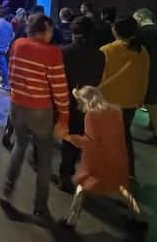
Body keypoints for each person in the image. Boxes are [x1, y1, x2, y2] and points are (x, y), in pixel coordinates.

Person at [0, 13, 70, 224]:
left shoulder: (18, 44)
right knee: (45, 158)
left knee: (19, 146)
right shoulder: (52, 52)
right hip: (40, 110)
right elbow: (59, 87)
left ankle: (7, 189)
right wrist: (64, 115)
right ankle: (40, 206)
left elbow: (12, 73)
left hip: (17, 106)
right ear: (46, 28)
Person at [60, 86, 145, 231]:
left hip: (98, 161)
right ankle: (137, 217)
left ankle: (71, 221)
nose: (79, 105)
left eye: (80, 101)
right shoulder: (116, 111)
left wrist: (69, 137)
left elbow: (90, 141)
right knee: (123, 189)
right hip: (117, 158)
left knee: (82, 189)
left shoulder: (92, 115)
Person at [56, 17, 105, 193]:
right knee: (75, 139)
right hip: (86, 102)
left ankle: (62, 173)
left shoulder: (64, 52)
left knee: (64, 138)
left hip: (65, 100)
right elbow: (98, 79)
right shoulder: (99, 54)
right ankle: (68, 174)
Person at [99, 17, 150, 180]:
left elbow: (101, 77)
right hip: (130, 101)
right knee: (124, 136)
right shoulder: (142, 51)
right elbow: (144, 77)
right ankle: (128, 172)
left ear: (115, 30)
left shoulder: (107, 50)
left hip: (108, 100)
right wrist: (140, 97)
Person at [133, 8, 157, 143]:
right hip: (156, 70)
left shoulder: (141, 32)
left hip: (142, 70)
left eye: (135, 18)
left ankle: (121, 131)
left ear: (141, 17)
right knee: (152, 102)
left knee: (130, 100)